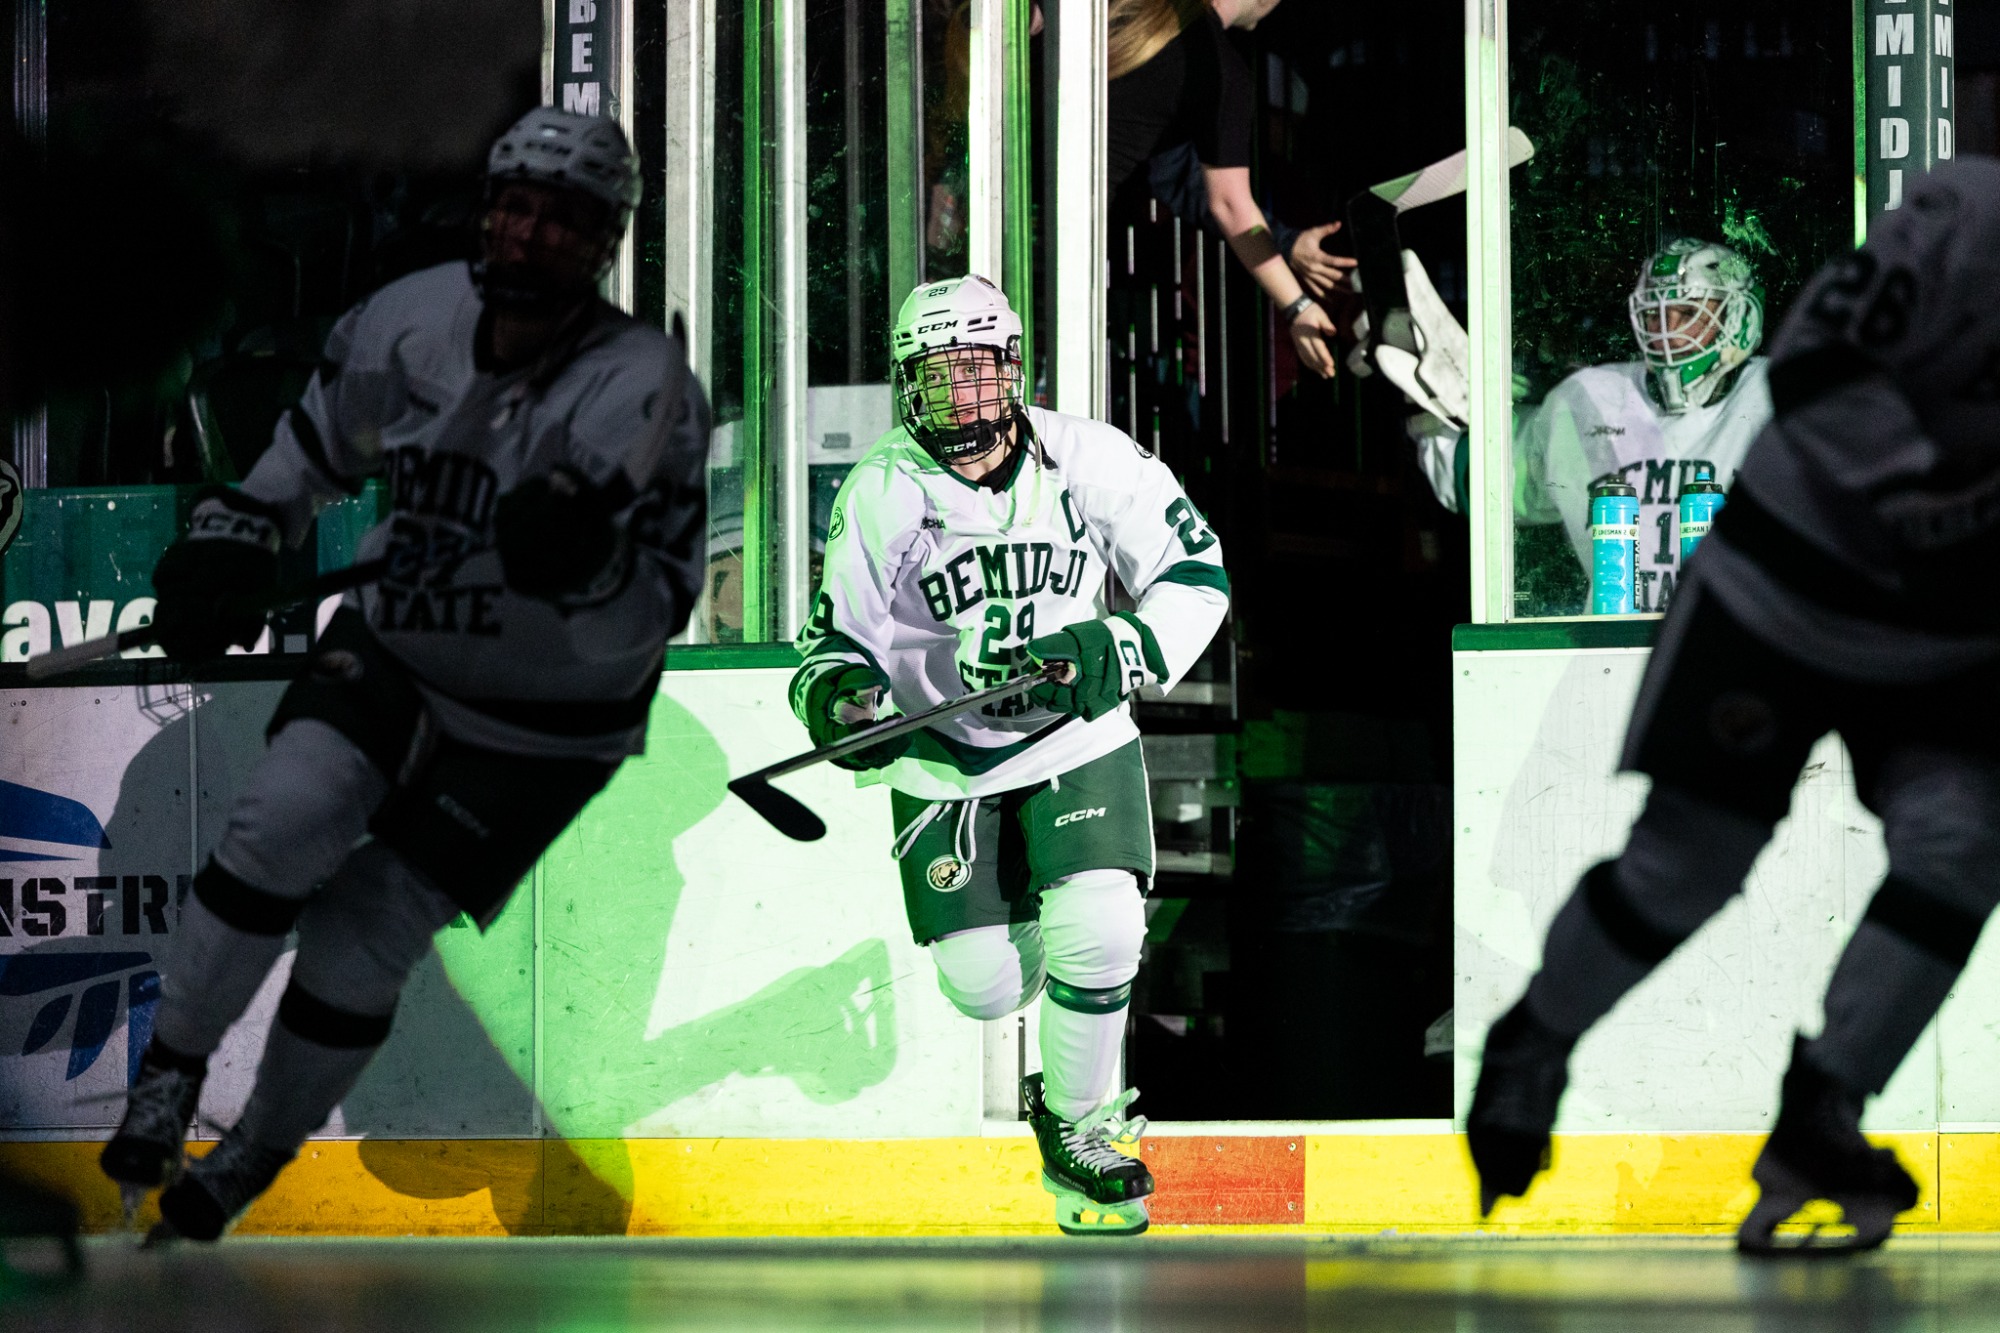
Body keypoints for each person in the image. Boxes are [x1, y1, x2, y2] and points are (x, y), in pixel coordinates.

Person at [98, 106, 710, 1241]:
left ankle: (248, 1156)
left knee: (366, 926)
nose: (527, 236)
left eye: (560, 219)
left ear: (603, 241)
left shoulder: (642, 386)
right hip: (403, 648)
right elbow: (309, 456)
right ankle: (168, 1074)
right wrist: (235, 537)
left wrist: (584, 572)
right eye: (513, 206)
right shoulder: (414, 319)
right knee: (283, 816)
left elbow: (661, 601)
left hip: (543, 723)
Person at [1467, 159, 2000, 1254]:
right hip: (1785, 574)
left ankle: (1820, 1113)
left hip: (1939, 609)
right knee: (1688, 858)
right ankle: (1535, 1037)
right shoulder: (1971, 211)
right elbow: (1814, 364)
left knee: (1961, 843)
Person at [790, 274, 1229, 1235]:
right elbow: (835, 642)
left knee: (1105, 926)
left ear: (1013, 369)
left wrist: (1122, 646)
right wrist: (841, 698)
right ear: (909, 384)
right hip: (948, 760)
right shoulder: (882, 492)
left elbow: (1194, 572)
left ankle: (1079, 1126)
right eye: (941, 373)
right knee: (983, 984)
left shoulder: (1087, 456)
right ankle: (1036, 946)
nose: (965, 394)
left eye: (981, 368)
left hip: (1078, 736)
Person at [1401, 239, 1770, 614]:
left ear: (1738, 320)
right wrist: (1432, 407)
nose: (1667, 331)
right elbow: (1485, 483)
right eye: (1655, 314)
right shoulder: (1591, 399)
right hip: (1612, 657)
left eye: (1688, 311)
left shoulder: (1779, 399)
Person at [1104, 0, 1348, 377]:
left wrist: (1285, 241)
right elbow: (1230, 204)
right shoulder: (1220, 71)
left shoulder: (1135, 9)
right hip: (1063, 221)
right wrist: (1297, 305)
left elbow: (1182, 179)